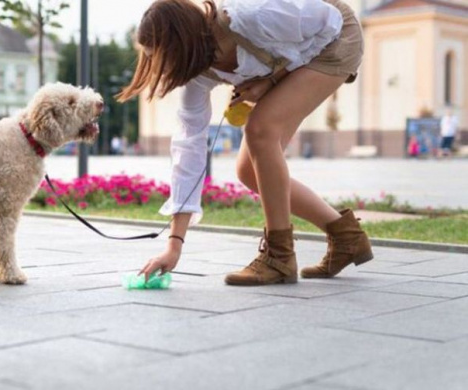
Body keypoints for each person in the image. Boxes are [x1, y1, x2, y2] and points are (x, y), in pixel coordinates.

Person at [117, 0, 373, 286]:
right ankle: (347, 238)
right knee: (248, 171)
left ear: (184, 43)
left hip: (334, 36)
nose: (161, 69)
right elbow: (188, 149)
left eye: (163, 57)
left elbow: (329, 22)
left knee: (261, 129)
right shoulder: (197, 74)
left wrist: (273, 79)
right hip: (303, 49)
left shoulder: (251, 16)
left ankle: (279, 258)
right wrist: (173, 246)